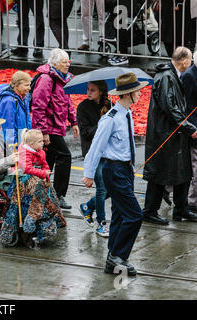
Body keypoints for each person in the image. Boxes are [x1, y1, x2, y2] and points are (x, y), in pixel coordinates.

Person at [83, 72, 149, 276]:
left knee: (121, 214)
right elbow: (96, 146)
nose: (140, 93)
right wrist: (89, 173)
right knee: (135, 215)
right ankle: (118, 256)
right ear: (128, 94)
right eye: (137, 90)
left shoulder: (126, 114)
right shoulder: (110, 118)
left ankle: (113, 256)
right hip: (114, 169)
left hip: (125, 169)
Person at [142, 47, 197, 225]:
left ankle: (181, 209)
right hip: (164, 134)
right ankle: (150, 210)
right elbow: (170, 108)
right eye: (189, 61)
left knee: (184, 172)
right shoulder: (166, 77)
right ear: (183, 61)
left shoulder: (171, 75)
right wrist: (189, 128)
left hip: (173, 133)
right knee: (159, 174)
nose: (190, 65)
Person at [0, 128, 65, 248]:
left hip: (37, 178)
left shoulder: (40, 151)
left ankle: (45, 219)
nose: (43, 143)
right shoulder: (24, 152)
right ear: (32, 144)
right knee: (36, 194)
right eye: (40, 141)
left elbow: (45, 163)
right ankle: (30, 221)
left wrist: (46, 171)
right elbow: (27, 169)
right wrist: (42, 173)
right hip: (23, 180)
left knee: (49, 192)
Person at [31, 48, 79, 209]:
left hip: (56, 127)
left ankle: (43, 194)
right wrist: (43, 132)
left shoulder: (62, 79)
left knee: (48, 161)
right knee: (65, 156)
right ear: (55, 63)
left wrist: (74, 121)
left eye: (68, 62)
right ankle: (58, 195)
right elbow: (38, 107)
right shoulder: (46, 79)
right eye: (64, 62)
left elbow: (67, 102)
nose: (68, 65)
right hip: (49, 129)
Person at [77, 80, 111, 237]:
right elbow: (85, 132)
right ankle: (101, 223)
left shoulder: (109, 105)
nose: (88, 93)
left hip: (107, 151)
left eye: (92, 90)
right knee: (102, 187)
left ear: (101, 91)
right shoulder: (83, 107)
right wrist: (102, 125)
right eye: (88, 89)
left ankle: (88, 206)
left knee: (110, 187)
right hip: (91, 151)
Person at [0, 71, 31, 144]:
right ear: (16, 86)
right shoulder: (9, 101)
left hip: (22, 140)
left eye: (29, 85)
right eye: (26, 85)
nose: (29, 88)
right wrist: (11, 146)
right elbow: (7, 127)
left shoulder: (24, 98)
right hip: (14, 144)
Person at [183, 50, 197, 213]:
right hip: (194, 126)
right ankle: (192, 201)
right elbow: (187, 106)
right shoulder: (189, 76)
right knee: (194, 166)